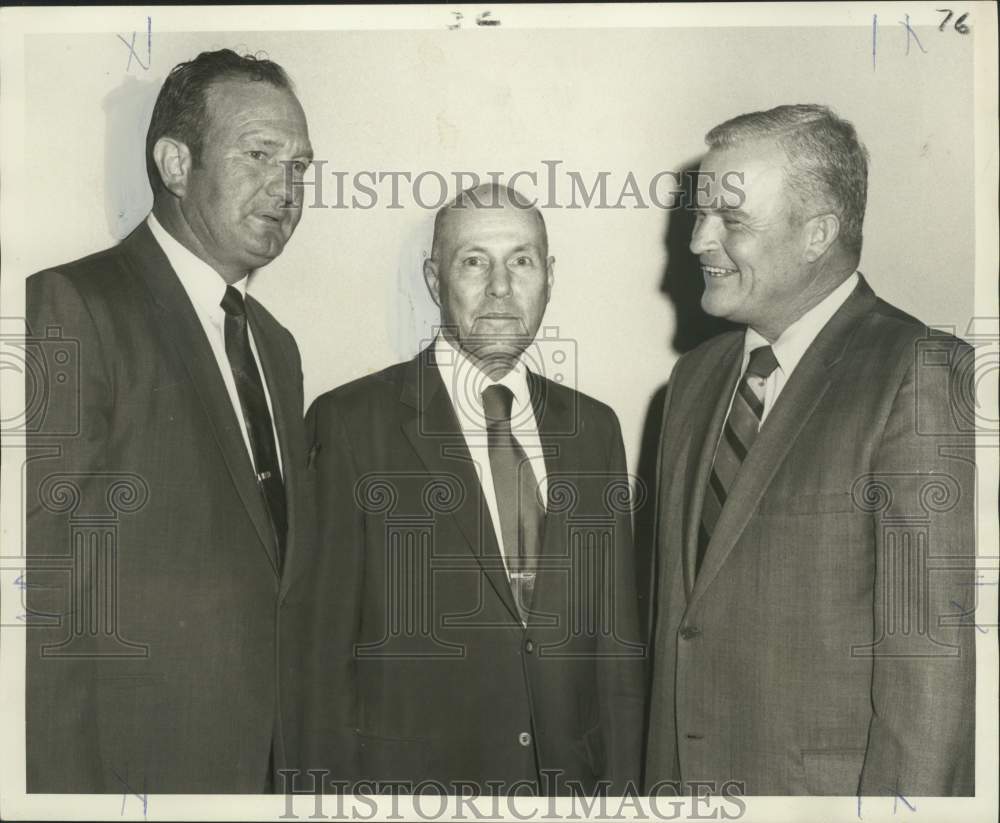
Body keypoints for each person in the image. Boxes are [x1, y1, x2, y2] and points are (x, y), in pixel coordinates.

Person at [644, 104, 975, 796]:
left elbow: (928, 667)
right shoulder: (694, 379)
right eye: (699, 215)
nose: (700, 240)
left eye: (730, 220)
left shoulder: (916, 370)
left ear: (817, 233)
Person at [25, 48, 315, 793]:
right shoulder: (69, 306)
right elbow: (39, 598)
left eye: (300, 167)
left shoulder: (274, 347)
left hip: (266, 772)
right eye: (259, 155)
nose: (286, 188)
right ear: (176, 164)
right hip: (131, 775)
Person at [296, 184, 644, 795]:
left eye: (522, 260)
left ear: (549, 276)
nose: (501, 287)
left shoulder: (596, 429)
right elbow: (319, 658)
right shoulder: (352, 422)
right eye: (474, 261)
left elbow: (616, 647)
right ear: (435, 280)